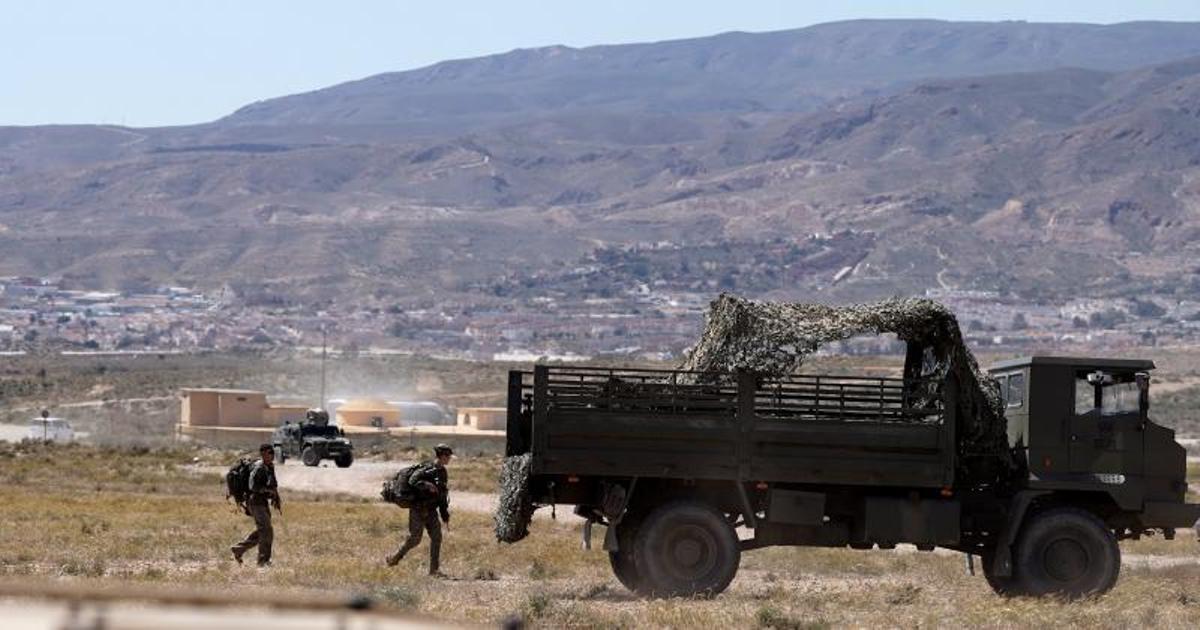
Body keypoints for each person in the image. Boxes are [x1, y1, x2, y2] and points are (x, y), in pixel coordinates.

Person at [386, 444, 453, 576]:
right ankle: (394, 558)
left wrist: (445, 515)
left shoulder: (443, 472)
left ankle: (434, 570)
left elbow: (442, 495)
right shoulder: (427, 468)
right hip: (418, 509)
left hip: (431, 510)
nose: (449, 458)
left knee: (437, 538)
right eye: (448, 456)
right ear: (442, 456)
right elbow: (412, 481)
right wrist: (427, 485)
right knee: (415, 539)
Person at [231, 443, 281, 567]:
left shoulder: (269, 466)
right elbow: (252, 486)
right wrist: (267, 491)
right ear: (263, 453)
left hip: (262, 502)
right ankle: (263, 561)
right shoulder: (259, 467)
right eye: (269, 453)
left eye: (272, 453)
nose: (272, 455)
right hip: (255, 502)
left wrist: (276, 496)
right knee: (266, 530)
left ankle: (239, 549)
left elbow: (273, 484)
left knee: (264, 530)